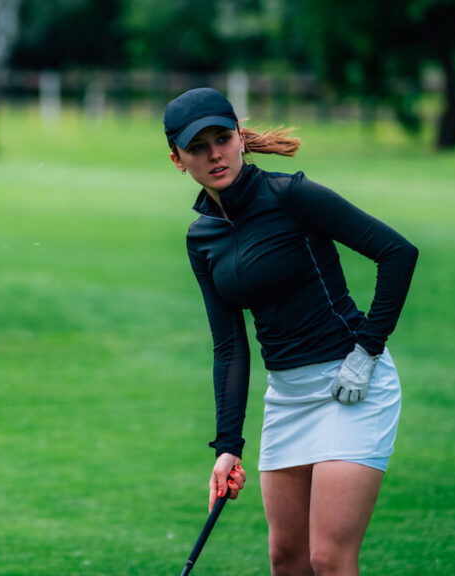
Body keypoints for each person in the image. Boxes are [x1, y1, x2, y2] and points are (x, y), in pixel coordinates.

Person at [163, 87, 418, 575]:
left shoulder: (292, 196)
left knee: (329, 558)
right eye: (198, 147)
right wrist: (227, 447)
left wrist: (366, 352)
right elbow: (229, 346)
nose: (214, 154)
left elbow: (398, 253)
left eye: (222, 138)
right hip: (288, 396)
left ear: (240, 138)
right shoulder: (202, 238)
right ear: (178, 159)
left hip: (354, 385)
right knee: (287, 560)